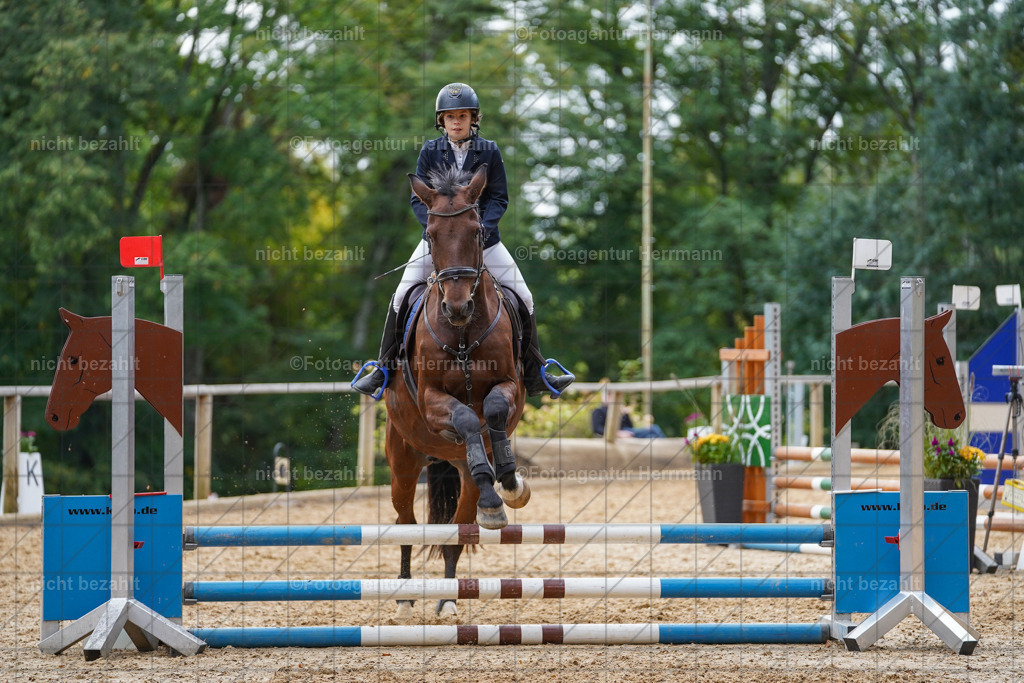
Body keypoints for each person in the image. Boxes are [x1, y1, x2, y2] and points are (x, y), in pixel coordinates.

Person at [351, 82, 574, 399]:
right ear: (441, 121)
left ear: (473, 119)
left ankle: (536, 371)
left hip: (483, 241)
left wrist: (481, 229)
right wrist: (440, 232)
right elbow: (418, 200)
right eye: (450, 117)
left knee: (524, 296)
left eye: (463, 116)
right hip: (440, 243)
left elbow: (499, 198)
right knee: (401, 295)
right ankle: (383, 369)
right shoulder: (430, 151)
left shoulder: (490, 150)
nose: (456, 122)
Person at [591, 404, 666, 439]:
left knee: (651, 436)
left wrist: (626, 414)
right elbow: (597, 429)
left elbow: (630, 426)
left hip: (628, 431)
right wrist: (617, 434)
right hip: (620, 432)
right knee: (654, 428)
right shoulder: (599, 411)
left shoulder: (619, 409)